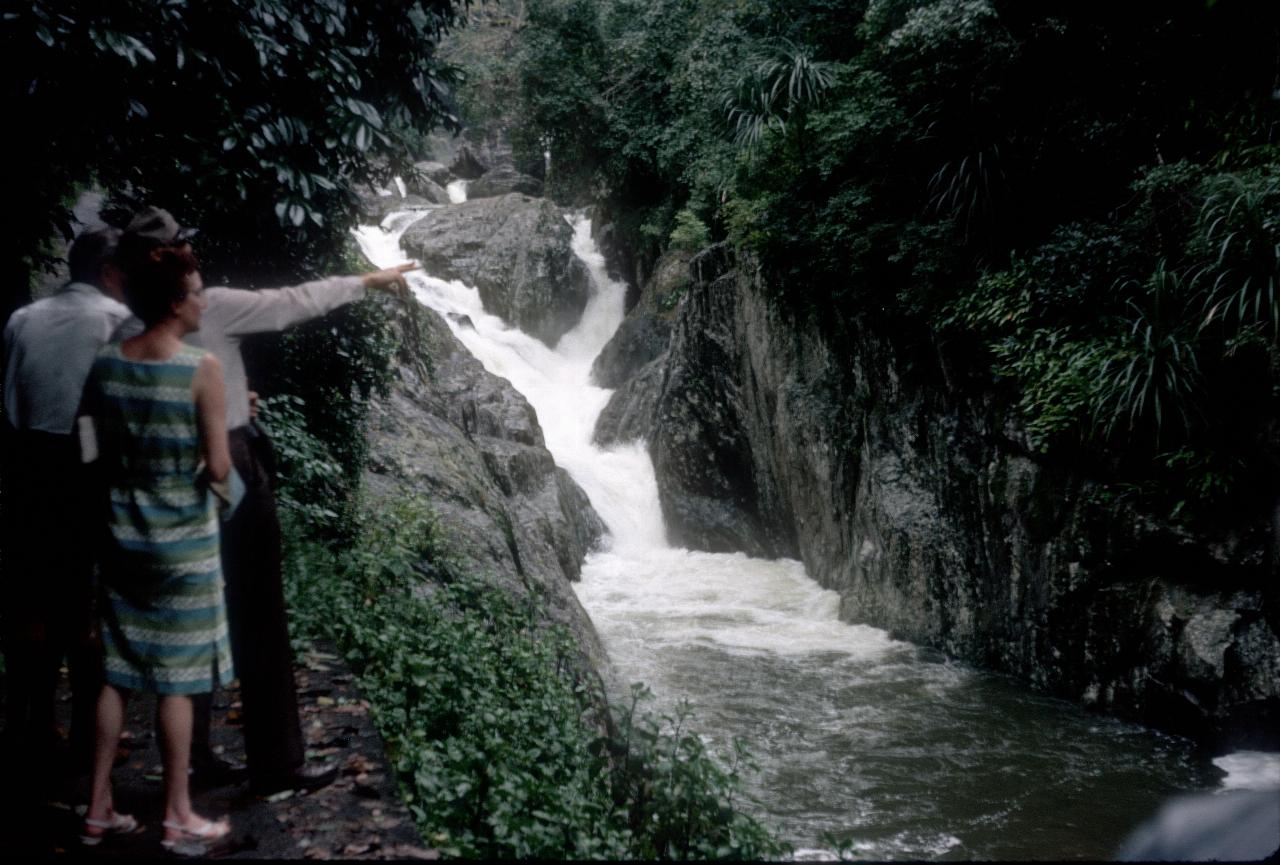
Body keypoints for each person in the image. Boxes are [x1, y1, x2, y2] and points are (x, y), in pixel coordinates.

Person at [117, 207, 417, 795]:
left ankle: (196, 755)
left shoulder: (124, 322)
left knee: (190, 615)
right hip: (228, 463)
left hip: (162, 476)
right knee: (258, 615)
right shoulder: (207, 306)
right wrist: (366, 281)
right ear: (178, 257)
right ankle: (276, 762)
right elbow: (291, 302)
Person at [78, 242, 233, 849]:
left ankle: (96, 808)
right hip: (182, 541)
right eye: (196, 292)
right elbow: (219, 468)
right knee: (177, 677)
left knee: (115, 673)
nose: (202, 302)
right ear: (174, 302)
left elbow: (89, 446)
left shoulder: (108, 364)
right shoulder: (202, 369)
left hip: (121, 530)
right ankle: (177, 813)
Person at [1, 227, 130, 785]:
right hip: (87, 465)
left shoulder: (24, 319)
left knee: (30, 599)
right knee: (86, 602)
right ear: (109, 272)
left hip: (29, 463)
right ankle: (85, 736)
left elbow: (8, 402)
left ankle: (28, 724)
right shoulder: (114, 320)